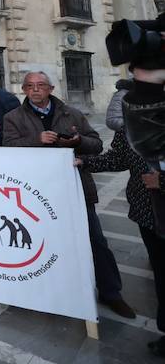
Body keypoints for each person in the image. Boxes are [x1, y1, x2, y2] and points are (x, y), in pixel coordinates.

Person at [3, 71, 135, 318]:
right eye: (30, 86)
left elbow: (96, 144)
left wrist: (78, 141)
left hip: (75, 186)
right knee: (41, 242)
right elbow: (8, 149)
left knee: (95, 240)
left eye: (41, 85)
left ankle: (111, 293)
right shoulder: (13, 117)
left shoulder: (72, 113)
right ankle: (45, 290)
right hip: (35, 191)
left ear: (51, 88)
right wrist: (36, 139)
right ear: (23, 90)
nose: (35, 90)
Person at [77, 130, 165, 353]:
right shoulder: (132, 119)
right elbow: (118, 157)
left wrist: (162, 180)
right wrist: (83, 161)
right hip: (148, 213)